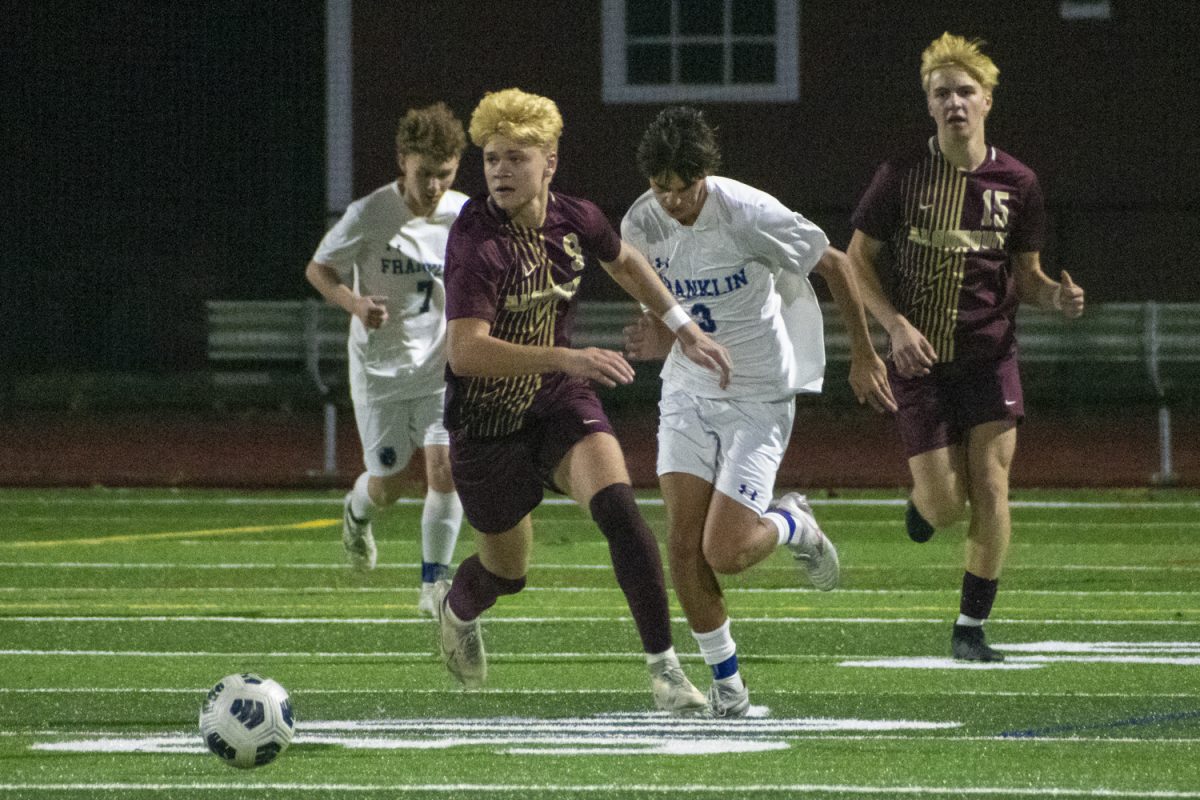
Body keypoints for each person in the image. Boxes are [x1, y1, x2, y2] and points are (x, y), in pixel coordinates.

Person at [431, 88, 732, 715]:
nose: (501, 172)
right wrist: (569, 356)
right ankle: (457, 609)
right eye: (490, 160)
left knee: (622, 511)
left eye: (516, 158)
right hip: (487, 427)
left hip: (557, 403)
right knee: (506, 576)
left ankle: (666, 673)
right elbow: (465, 351)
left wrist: (682, 326)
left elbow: (625, 262)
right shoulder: (476, 244)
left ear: (550, 162)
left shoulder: (575, 218)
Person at [621, 106, 896, 717]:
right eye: (660, 187)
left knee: (727, 552)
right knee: (683, 548)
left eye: (682, 188)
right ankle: (729, 688)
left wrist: (862, 356)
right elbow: (663, 301)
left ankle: (793, 523)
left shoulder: (748, 212)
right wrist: (663, 336)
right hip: (688, 395)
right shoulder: (640, 222)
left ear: (705, 176)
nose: (670, 201)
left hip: (758, 397)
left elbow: (838, 265)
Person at [846, 33, 1085, 661]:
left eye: (965, 91)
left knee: (993, 484)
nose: (954, 101)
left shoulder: (1019, 183)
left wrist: (1054, 300)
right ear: (928, 105)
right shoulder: (900, 175)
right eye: (941, 92)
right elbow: (855, 261)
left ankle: (970, 628)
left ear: (986, 101)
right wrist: (894, 326)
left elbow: (1027, 275)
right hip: (919, 361)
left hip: (989, 355)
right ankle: (924, 508)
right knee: (947, 506)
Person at [305, 102, 469, 615]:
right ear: (403, 161)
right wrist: (354, 303)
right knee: (387, 487)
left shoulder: (464, 215)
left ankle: (433, 585)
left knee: (446, 470)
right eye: (425, 174)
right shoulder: (370, 213)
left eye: (444, 174)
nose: (434, 186)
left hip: (441, 370)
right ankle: (356, 515)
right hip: (380, 373)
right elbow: (319, 269)